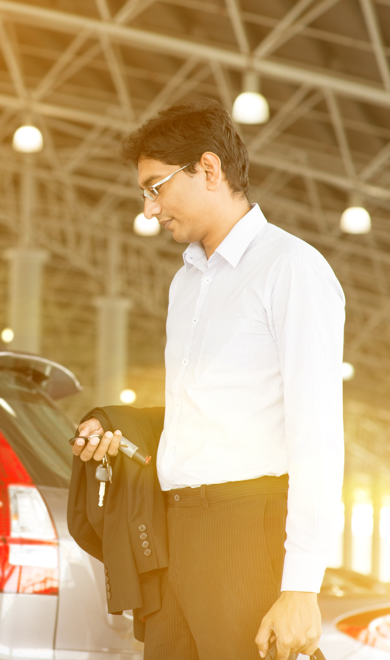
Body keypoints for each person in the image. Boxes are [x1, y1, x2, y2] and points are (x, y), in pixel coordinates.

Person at [71, 99, 345, 660]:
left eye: (157, 187)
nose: (149, 209)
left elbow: (317, 432)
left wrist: (301, 586)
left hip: (249, 532)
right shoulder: (186, 285)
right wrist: (116, 426)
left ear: (209, 169)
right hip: (177, 535)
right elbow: (204, 415)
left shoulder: (290, 269)